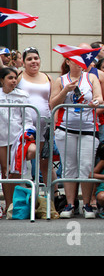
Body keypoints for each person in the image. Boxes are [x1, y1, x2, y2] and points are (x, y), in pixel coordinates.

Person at [50, 57, 103, 219]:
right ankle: (70, 204)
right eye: (75, 61)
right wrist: (65, 90)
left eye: (82, 62)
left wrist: (96, 102)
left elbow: (100, 97)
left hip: (88, 128)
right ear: (68, 62)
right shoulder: (60, 80)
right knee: (69, 167)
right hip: (66, 129)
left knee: (86, 166)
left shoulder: (91, 77)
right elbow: (53, 103)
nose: (79, 65)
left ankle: (87, 204)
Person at [17, 47, 57, 188]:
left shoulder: (48, 77)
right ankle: (22, 196)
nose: (33, 61)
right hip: (22, 127)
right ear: (23, 62)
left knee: (45, 160)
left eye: (36, 58)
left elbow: (53, 101)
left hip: (44, 127)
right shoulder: (18, 75)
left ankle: (53, 196)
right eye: (29, 59)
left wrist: (54, 123)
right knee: (21, 159)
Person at [0, 67, 37, 211]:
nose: (14, 80)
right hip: (1, 137)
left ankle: (15, 204)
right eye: (10, 78)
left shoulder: (22, 96)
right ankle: (8, 204)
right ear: (2, 80)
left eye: (15, 78)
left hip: (17, 137)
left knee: (14, 170)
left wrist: (27, 132)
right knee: (5, 171)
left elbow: (27, 119)